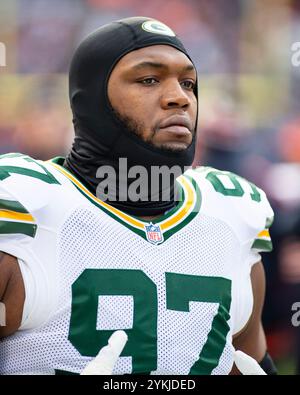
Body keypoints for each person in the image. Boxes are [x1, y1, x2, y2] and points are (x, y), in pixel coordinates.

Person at [0, 16, 277, 375]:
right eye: (148, 79)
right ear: (92, 99)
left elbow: (248, 359)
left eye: (189, 83)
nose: (180, 97)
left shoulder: (232, 216)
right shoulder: (25, 212)